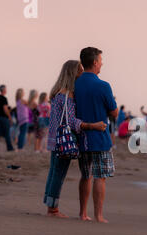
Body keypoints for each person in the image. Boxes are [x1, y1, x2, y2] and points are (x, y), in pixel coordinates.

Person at [43, 60, 107, 218]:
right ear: (73, 73)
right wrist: (92, 125)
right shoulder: (68, 95)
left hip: (54, 139)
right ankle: (53, 210)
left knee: (53, 172)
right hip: (64, 140)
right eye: (80, 70)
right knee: (59, 173)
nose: (82, 73)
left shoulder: (58, 93)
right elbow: (71, 121)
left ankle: (49, 204)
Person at [75, 47, 118, 223]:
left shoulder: (75, 83)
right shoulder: (103, 85)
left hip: (81, 137)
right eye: (100, 60)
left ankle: (83, 213)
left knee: (86, 175)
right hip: (100, 137)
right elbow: (114, 113)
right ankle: (99, 215)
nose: (102, 64)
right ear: (94, 62)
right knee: (100, 176)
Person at [0, 85, 14, 151]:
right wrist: (10, 117)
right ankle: (9, 148)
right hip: (4, 118)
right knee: (7, 133)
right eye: (6, 89)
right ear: (3, 90)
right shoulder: (4, 99)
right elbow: (5, 109)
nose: (6, 90)